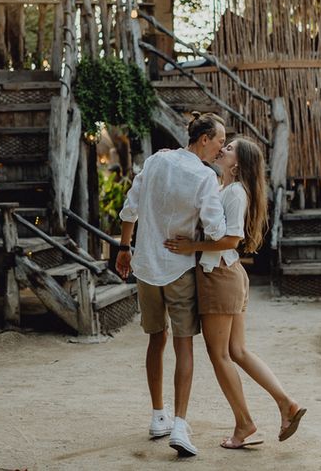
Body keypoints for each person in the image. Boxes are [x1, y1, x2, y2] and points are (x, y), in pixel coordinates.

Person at [164, 137, 306, 449]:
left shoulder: (234, 194)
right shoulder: (226, 188)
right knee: (238, 351)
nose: (222, 149)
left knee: (220, 355)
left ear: (238, 164)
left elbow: (230, 239)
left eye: (229, 148)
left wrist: (192, 247)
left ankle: (245, 425)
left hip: (219, 275)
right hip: (230, 273)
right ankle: (287, 404)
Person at [115, 113, 227, 457]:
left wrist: (124, 247)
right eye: (220, 141)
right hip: (179, 268)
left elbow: (130, 208)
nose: (222, 149)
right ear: (204, 139)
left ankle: (157, 415)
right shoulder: (205, 178)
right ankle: (179, 423)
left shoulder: (156, 160)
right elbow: (217, 231)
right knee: (183, 345)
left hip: (145, 265)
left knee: (155, 339)